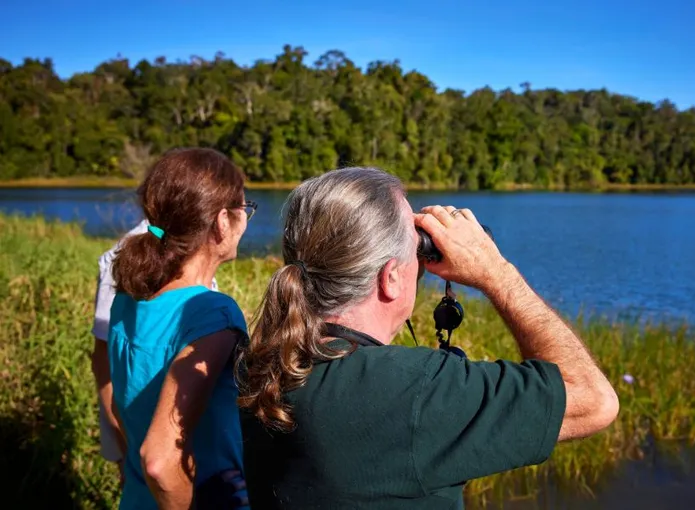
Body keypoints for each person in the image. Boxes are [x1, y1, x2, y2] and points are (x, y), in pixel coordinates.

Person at [236, 167, 619, 509]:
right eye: (415, 243)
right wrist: (496, 273)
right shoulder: (415, 392)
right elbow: (594, 401)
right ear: (391, 277)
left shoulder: (259, 365)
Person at [106, 147, 256, 510]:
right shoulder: (213, 314)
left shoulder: (128, 298)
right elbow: (159, 460)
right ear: (222, 222)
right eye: (244, 209)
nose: (246, 221)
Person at [91, 220, 219, 482]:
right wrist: (125, 442)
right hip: (137, 437)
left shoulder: (190, 247)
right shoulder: (129, 254)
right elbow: (104, 361)